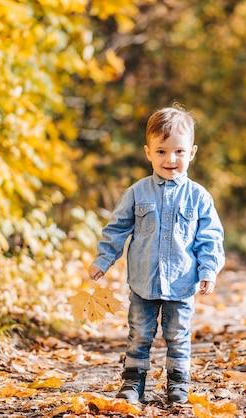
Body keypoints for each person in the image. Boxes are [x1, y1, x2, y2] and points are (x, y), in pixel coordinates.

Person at [89, 104, 225, 404]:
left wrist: (208, 270)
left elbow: (210, 238)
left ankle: (178, 384)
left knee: (178, 336)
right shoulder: (137, 193)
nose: (170, 159)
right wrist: (103, 261)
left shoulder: (199, 197)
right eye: (161, 151)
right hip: (143, 283)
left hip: (181, 283)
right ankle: (133, 382)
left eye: (178, 151)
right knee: (139, 335)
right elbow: (117, 229)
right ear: (148, 152)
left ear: (191, 153)